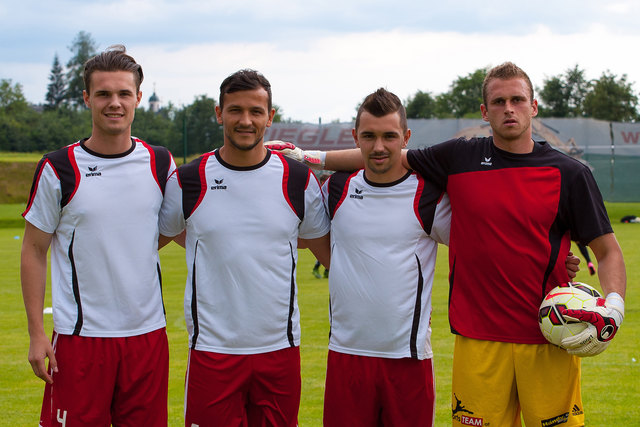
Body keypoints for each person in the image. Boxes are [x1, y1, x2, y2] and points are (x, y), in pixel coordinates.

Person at [268, 62, 626, 426]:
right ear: (485, 112)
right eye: (499, 101)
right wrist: (311, 158)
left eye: (517, 99)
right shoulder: (459, 158)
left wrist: (614, 304)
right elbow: (384, 156)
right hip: (477, 341)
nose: (509, 109)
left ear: (533, 106)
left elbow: (607, 250)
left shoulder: (569, 173)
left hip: (549, 335)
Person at [158, 69, 330, 426]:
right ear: (219, 113)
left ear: (271, 116)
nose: (245, 120)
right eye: (235, 110)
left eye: (256, 111)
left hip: (279, 350)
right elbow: (162, 235)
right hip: (212, 351)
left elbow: (323, 249)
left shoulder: (297, 180)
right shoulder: (189, 180)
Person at [20, 45, 176, 426]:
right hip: (79, 337)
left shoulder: (159, 162)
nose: (115, 103)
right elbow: (34, 250)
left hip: (148, 336)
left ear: (138, 98)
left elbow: (176, 231)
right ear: (87, 98)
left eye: (124, 93)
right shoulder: (59, 167)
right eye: (104, 94)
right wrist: (37, 334)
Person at [321, 88, 450, 426]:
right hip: (346, 355)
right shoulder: (336, 188)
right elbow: (300, 235)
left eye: (389, 136)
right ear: (355, 138)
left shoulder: (429, 194)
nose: (379, 147)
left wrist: (555, 261)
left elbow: (481, 245)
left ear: (405, 137)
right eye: (369, 136)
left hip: (408, 358)